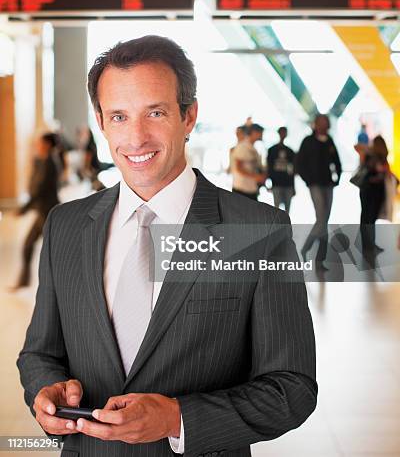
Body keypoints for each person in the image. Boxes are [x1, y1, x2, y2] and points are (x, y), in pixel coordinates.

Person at [17, 36, 317, 457]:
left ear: (189, 116)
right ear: (101, 123)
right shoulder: (66, 226)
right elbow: (38, 352)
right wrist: (45, 390)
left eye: (155, 113)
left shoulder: (259, 230)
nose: (136, 137)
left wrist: (177, 417)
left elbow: (292, 388)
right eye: (119, 116)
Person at [11, 132, 60, 289]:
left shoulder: (50, 163)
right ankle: (24, 281)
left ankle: (58, 286)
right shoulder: (43, 161)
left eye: (39, 143)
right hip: (43, 212)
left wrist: (23, 209)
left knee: (51, 251)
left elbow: (38, 189)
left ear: (47, 144)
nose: (36, 145)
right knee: (30, 245)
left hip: (48, 213)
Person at [296, 114, 342, 269]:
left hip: (328, 184)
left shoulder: (329, 141)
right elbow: (299, 163)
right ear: (315, 124)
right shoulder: (307, 141)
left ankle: (319, 259)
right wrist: (308, 180)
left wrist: (337, 178)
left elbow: (337, 161)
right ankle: (306, 249)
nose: (323, 125)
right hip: (314, 184)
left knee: (324, 220)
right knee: (321, 218)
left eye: (325, 122)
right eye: (320, 122)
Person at [231, 123, 266, 200]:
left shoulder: (252, 147)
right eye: (260, 133)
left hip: (250, 188)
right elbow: (238, 168)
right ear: (253, 133)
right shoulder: (243, 146)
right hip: (242, 189)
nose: (261, 135)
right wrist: (256, 176)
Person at [267, 127, 296, 213]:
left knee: (287, 210)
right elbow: (269, 168)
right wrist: (269, 182)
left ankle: (285, 226)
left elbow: (292, 170)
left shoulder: (290, 151)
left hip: (288, 183)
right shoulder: (272, 150)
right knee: (276, 209)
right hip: (276, 183)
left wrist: (293, 186)